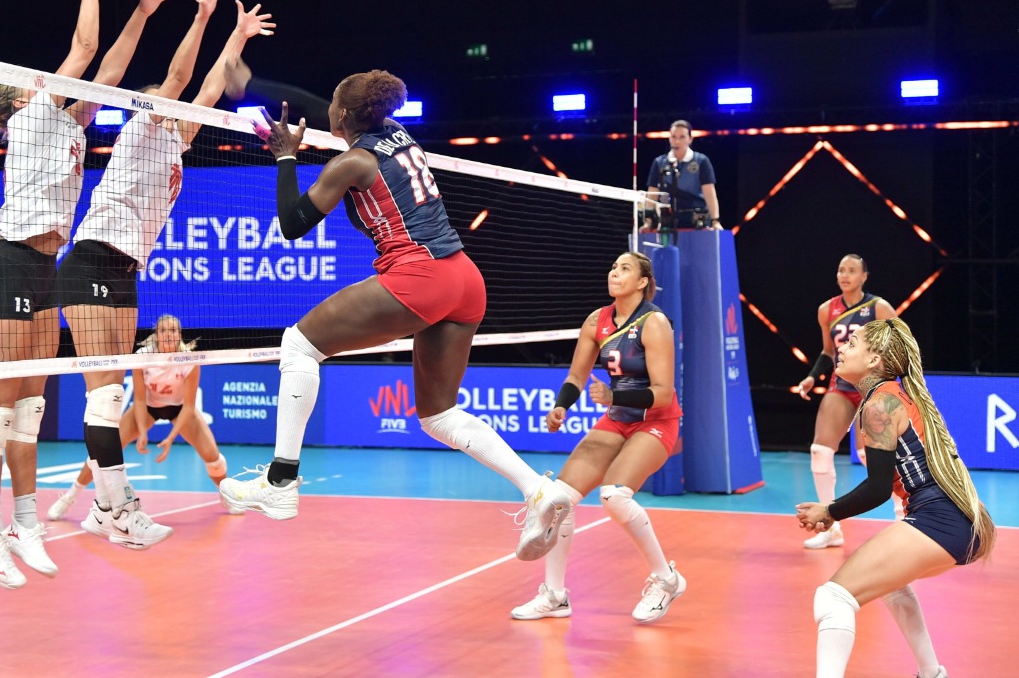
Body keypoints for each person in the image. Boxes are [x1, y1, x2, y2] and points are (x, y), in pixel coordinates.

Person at [216, 71, 571, 562]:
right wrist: (253, 82)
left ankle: (279, 482)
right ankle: (536, 490)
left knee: (299, 345)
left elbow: (292, 225)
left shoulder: (352, 163)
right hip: (465, 278)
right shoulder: (401, 138)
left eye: (334, 108)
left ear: (342, 117)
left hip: (419, 273)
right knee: (439, 416)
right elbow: (324, 104)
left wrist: (284, 155)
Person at [0, 0, 174, 589]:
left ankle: (25, 521)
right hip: (11, 263)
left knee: (30, 407)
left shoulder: (70, 129)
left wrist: (142, 13)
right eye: (40, 85)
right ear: (21, 103)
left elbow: (106, 68)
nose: (58, 86)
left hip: (45, 271)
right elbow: (87, 55)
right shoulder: (31, 122)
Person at [58, 0, 274, 550]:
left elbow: (204, 90)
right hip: (93, 255)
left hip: (125, 266)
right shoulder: (147, 124)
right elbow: (180, 83)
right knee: (104, 396)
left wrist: (235, 35)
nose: (178, 106)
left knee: (105, 396)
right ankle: (116, 509)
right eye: (166, 101)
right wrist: (200, 18)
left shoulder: (177, 141)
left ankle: (106, 511)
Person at [797, 317, 995, 678]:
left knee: (833, 597)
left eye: (853, 342)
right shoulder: (896, 397)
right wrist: (831, 510)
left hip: (940, 519)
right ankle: (931, 672)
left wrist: (830, 510)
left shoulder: (879, 406)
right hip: (962, 523)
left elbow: (876, 489)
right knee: (890, 583)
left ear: (875, 360)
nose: (841, 346)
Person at [509, 251, 686, 624]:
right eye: (612, 267)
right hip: (617, 420)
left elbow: (664, 393)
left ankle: (666, 580)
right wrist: (561, 406)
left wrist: (612, 396)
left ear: (641, 282)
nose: (614, 273)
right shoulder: (597, 320)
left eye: (624, 269)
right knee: (559, 500)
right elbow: (576, 377)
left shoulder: (654, 323)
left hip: (656, 422)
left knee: (614, 496)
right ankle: (555, 596)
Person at [48, 314, 233, 521]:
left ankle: (226, 495)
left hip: (180, 408)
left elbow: (189, 407)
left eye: (173, 331)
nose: (168, 335)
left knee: (213, 458)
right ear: (157, 335)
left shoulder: (189, 359)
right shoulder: (143, 357)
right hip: (148, 407)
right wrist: (142, 433)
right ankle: (69, 497)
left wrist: (171, 438)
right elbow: (138, 400)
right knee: (104, 449)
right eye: (163, 330)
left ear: (179, 335)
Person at [794, 253, 899, 549]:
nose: (845, 275)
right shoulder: (827, 309)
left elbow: (901, 345)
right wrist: (812, 377)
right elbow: (828, 352)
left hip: (873, 387)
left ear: (864, 276)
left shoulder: (879, 308)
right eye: (841, 269)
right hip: (841, 385)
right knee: (819, 450)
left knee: (874, 457)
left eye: (852, 270)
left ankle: (904, 518)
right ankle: (829, 527)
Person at [643, 120, 722, 231]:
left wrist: (715, 221)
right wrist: (648, 221)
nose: (677, 141)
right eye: (673, 137)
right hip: (667, 219)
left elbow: (709, 193)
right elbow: (652, 194)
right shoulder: (659, 162)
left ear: (690, 139)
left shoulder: (701, 161)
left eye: (682, 137)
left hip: (696, 220)